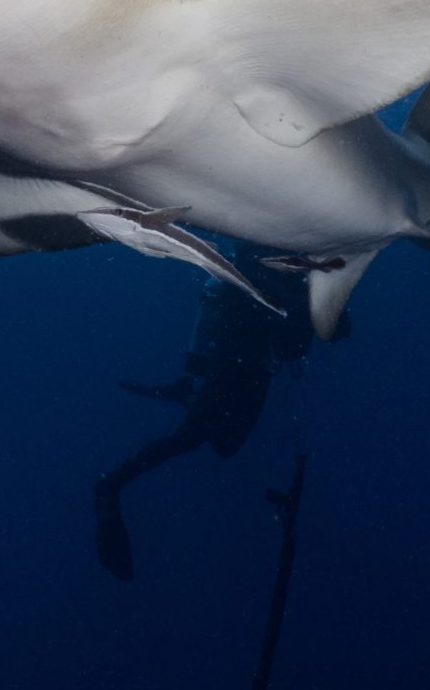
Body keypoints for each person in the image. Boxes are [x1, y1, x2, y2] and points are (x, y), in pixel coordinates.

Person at [93, 243, 312, 581]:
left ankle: (185, 400)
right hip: (235, 358)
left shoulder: (295, 267)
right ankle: (111, 486)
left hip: (249, 364)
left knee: (223, 445)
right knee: (193, 437)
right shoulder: (270, 264)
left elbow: (318, 330)